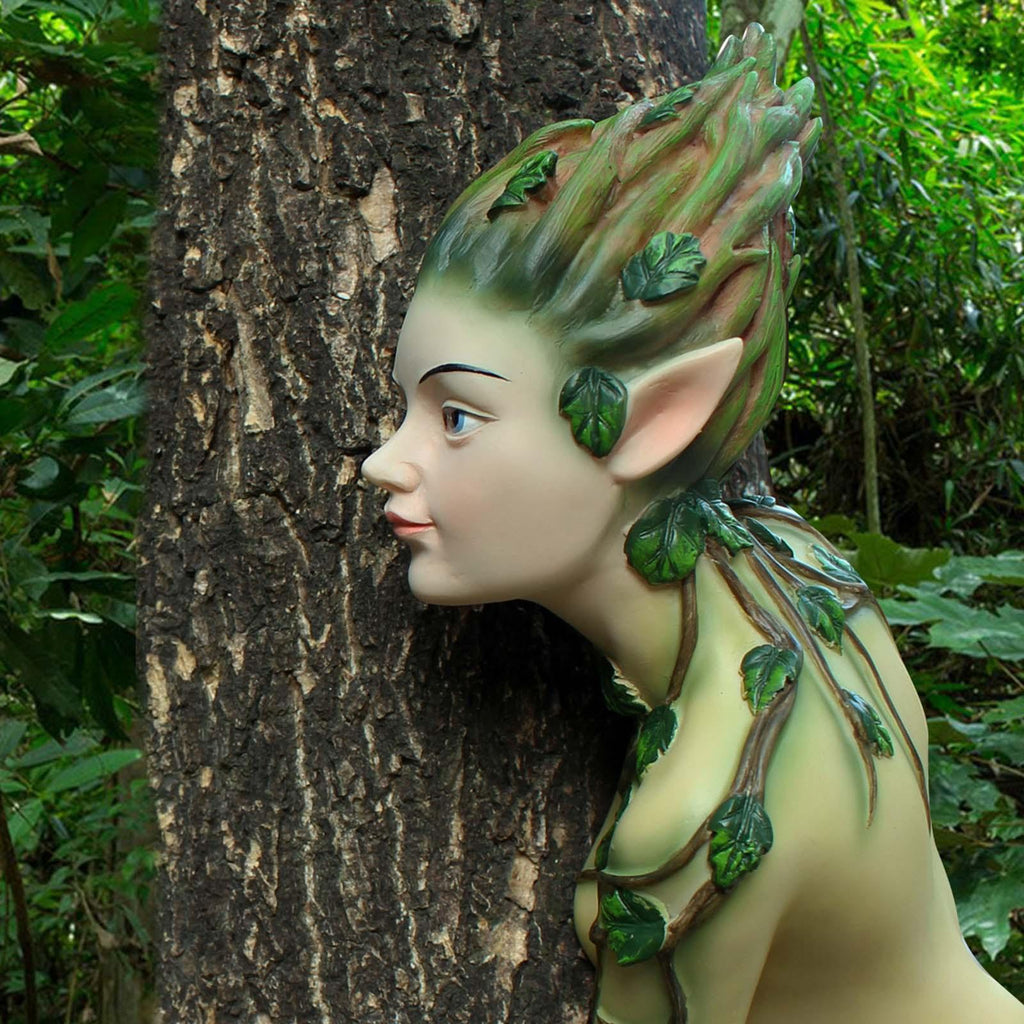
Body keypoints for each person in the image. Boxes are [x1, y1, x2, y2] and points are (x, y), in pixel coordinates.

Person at [361, 24, 1024, 1024]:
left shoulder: (691, 834)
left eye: (456, 417)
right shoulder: (800, 567)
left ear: (656, 422)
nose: (385, 459)